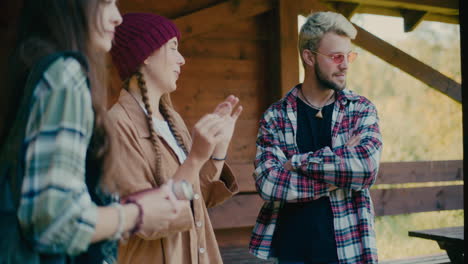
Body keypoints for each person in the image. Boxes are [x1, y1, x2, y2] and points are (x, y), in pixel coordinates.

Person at [2, 1, 185, 263]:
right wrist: (138, 213)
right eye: (106, 3)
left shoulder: (35, 66)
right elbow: (57, 222)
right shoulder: (66, 76)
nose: (117, 17)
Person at [108, 13, 243, 264]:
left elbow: (199, 197)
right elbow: (147, 222)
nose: (182, 60)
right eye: (173, 48)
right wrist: (195, 158)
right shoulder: (116, 126)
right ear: (145, 55)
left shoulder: (172, 120)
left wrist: (218, 147)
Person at [249, 11, 383, 264]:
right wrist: (339, 174)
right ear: (309, 57)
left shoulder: (360, 109)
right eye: (336, 57)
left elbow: (365, 170)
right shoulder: (275, 116)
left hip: (348, 250)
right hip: (289, 253)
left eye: (349, 56)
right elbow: (268, 183)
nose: (345, 64)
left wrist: (297, 163)